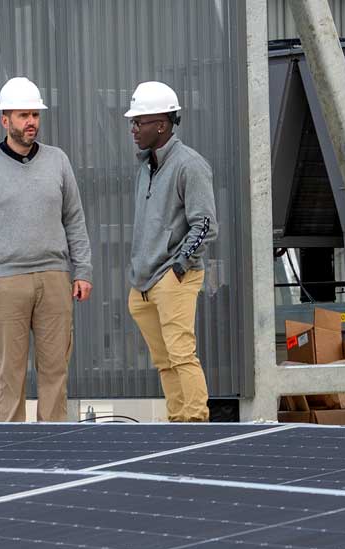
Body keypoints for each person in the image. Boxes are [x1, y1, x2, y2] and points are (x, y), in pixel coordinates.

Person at [0, 76, 92, 422]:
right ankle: (13, 449)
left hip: (54, 278)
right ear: (5, 120)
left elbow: (74, 219)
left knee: (55, 371)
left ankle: (51, 445)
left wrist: (83, 271)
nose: (31, 122)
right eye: (23, 115)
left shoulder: (58, 161)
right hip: (6, 282)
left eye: (35, 114)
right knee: (10, 374)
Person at [125, 80, 216, 422]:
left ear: (161, 123)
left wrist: (179, 267)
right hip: (144, 282)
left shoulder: (189, 165)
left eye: (139, 122)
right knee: (164, 361)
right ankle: (178, 423)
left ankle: (194, 422)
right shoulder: (146, 167)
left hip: (173, 277)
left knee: (181, 354)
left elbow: (205, 223)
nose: (133, 129)